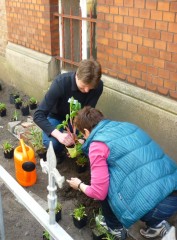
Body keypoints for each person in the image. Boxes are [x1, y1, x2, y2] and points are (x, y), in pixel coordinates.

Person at [67, 106, 177, 240]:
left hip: (157, 206)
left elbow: (98, 192)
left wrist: (79, 185)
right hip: (173, 190)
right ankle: (158, 225)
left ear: (85, 131)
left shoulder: (97, 146)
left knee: (105, 187)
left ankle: (115, 228)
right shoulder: (127, 126)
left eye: (83, 134)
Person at [33, 59, 103, 162]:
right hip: (56, 117)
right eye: (83, 86)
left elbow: (88, 115)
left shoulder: (98, 86)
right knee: (53, 144)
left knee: (94, 141)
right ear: (77, 75)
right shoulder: (61, 83)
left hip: (79, 119)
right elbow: (38, 115)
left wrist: (83, 138)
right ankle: (61, 150)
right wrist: (60, 136)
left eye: (90, 88)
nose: (87, 91)